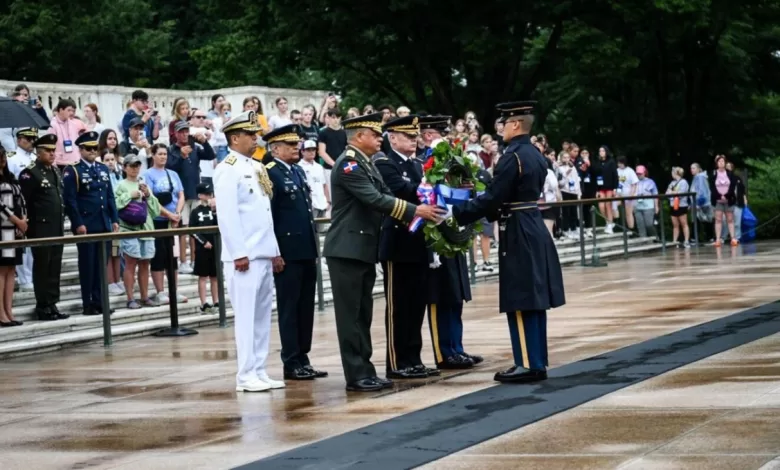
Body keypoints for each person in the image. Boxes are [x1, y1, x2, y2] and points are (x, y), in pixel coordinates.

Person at [323, 112, 445, 392]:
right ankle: (356, 374)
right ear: (359, 136)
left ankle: (365, 370)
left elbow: (384, 195)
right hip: (347, 248)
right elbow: (375, 198)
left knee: (362, 314)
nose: (381, 138)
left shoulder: (366, 163)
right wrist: (418, 211)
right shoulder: (349, 165)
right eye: (375, 134)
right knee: (351, 317)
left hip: (362, 247)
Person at [449, 101, 565, 384]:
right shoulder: (534, 154)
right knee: (533, 299)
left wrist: (457, 212)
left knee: (522, 296)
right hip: (531, 223)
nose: (500, 128)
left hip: (518, 227)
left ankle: (527, 362)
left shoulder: (513, 157)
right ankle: (535, 359)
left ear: (516, 124)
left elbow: (494, 197)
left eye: (504, 122)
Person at [213, 111, 285, 393]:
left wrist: (274, 251)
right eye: (250, 134)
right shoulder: (227, 169)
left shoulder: (256, 166)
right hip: (244, 256)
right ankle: (245, 375)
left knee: (261, 317)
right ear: (234, 138)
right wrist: (238, 252)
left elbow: (264, 214)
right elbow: (228, 216)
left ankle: (259, 369)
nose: (255, 138)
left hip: (263, 252)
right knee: (246, 318)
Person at [374, 115, 437, 379]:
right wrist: (429, 189)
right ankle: (397, 361)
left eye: (415, 136)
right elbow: (401, 190)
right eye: (408, 137)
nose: (414, 140)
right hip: (397, 242)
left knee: (416, 304)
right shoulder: (385, 163)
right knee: (398, 306)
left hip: (418, 241)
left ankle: (414, 357)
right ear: (393, 138)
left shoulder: (417, 164)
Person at [265, 124, 327, 381]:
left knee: (305, 308)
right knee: (290, 308)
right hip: (287, 251)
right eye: (290, 145)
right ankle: (291, 361)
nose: (296, 148)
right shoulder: (270, 173)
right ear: (275, 148)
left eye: (296, 144)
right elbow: (268, 216)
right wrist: (274, 252)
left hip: (305, 248)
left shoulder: (299, 171)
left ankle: (303, 357)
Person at [419, 116, 481, 370]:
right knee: (440, 296)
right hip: (436, 233)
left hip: (453, 229)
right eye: (436, 132)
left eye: (444, 131)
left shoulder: (451, 160)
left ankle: (456, 347)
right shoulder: (425, 163)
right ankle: (443, 352)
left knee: (455, 295)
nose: (443, 136)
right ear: (426, 135)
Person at [62, 131, 120, 316]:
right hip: (86, 223)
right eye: (88, 148)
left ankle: (100, 300)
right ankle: (88, 303)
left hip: (103, 221)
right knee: (88, 265)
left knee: (101, 265)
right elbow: (70, 200)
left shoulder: (102, 168)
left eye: (95, 148)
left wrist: (115, 218)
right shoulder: (73, 170)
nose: (92, 151)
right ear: (80, 149)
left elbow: (109, 195)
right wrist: (78, 222)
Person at [19, 134, 69, 321]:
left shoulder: (54, 171)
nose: (52, 153)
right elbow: (25, 201)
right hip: (41, 228)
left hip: (56, 227)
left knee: (54, 266)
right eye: (48, 151)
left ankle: (52, 303)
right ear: (38, 153)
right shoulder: (30, 173)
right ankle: (42, 305)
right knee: (42, 267)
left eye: (53, 150)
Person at [115, 154, 170, 309]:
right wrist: (129, 196)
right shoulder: (120, 185)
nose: (135, 169)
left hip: (146, 227)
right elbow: (115, 204)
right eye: (132, 165)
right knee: (130, 263)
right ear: (125, 167)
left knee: (145, 263)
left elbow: (155, 209)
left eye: (137, 165)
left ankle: (145, 296)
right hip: (128, 228)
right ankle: (130, 298)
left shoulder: (144, 184)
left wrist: (147, 194)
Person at [0, 144, 27, 327]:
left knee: (11, 270)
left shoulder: (12, 178)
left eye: (3, 155)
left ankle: (9, 310)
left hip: (16, 231)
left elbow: (22, 200)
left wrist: (24, 219)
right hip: (2, 230)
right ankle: (1, 313)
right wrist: (16, 220)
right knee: (2, 270)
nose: (2, 158)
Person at [8, 128, 37, 292]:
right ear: (19, 140)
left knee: (33, 242)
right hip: (19, 204)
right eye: (28, 138)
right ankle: (25, 278)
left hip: (34, 205)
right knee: (23, 244)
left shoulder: (35, 157)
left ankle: (32, 275)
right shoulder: (12, 158)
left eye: (34, 138)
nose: (32, 142)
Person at [189, 183, 219, 314]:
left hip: (215, 245)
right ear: (200, 195)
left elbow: (220, 225)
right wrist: (203, 241)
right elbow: (192, 230)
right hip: (202, 248)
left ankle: (217, 301)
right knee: (203, 276)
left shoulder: (216, 210)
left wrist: (215, 210)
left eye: (210, 194)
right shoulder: (195, 212)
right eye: (206, 194)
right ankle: (203, 303)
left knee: (215, 276)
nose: (209, 196)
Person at [709, 155, 738, 247]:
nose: (721, 163)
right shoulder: (713, 174)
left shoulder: (730, 174)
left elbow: (732, 186)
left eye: (723, 161)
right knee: (718, 219)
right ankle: (718, 239)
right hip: (717, 200)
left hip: (728, 199)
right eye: (719, 161)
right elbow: (712, 187)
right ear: (716, 163)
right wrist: (719, 196)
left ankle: (733, 238)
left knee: (730, 219)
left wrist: (726, 195)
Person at [666, 166, 691, 248]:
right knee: (675, 225)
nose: (672, 174)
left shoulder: (683, 182)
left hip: (681, 205)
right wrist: (673, 192)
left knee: (684, 223)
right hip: (673, 205)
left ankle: (686, 240)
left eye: (673, 172)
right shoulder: (672, 183)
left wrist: (672, 192)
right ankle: (674, 241)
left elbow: (681, 193)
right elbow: (667, 193)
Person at [633, 165, 659, 239]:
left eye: (640, 173)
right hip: (637, 206)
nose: (639, 175)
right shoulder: (634, 182)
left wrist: (656, 206)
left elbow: (655, 194)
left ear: (644, 173)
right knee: (640, 226)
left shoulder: (650, 182)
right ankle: (643, 241)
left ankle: (655, 238)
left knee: (649, 224)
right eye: (637, 173)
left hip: (648, 206)